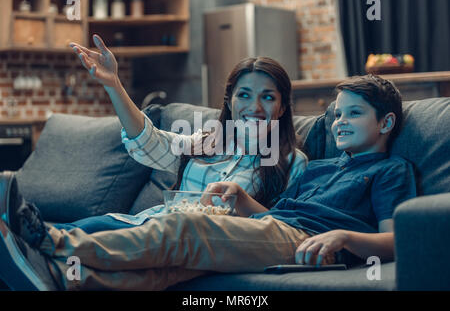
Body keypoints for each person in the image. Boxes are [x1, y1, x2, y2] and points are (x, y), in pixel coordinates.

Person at [0, 74, 417, 291]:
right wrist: (240, 199)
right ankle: (60, 279)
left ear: (386, 122)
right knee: (172, 272)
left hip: (312, 244)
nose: (340, 122)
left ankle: (49, 241)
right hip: (276, 229)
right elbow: (274, 216)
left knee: (184, 227)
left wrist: (343, 237)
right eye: (337, 114)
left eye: (354, 114)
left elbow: (399, 241)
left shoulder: (390, 170)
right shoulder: (324, 167)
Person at [44, 34, 307, 234]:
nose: (255, 107)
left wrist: (240, 198)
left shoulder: (292, 162)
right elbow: (150, 143)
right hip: (150, 224)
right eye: (244, 95)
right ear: (229, 102)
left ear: (282, 107)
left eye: (268, 97)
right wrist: (114, 85)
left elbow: (283, 229)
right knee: (64, 232)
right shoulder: (206, 142)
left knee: (67, 241)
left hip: (187, 240)